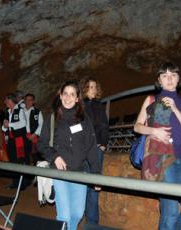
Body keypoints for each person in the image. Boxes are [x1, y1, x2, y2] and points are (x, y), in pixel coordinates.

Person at [133, 62, 181, 230]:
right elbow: (137, 126)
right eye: (165, 75)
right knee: (171, 212)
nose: (169, 79)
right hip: (163, 160)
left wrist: (175, 109)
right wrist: (153, 131)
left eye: (173, 75)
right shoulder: (152, 99)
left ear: (178, 79)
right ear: (159, 80)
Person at [38, 80, 100, 230]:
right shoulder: (52, 118)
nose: (68, 97)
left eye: (72, 94)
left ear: (77, 98)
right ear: (60, 95)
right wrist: (55, 157)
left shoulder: (84, 119)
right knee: (64, 215)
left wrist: (97, 174)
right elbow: (42, 144)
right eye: (65, 93)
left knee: (77, 214)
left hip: (80, 172)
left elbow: (92, 147)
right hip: (60, 172)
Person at [79, 77, 109, 226]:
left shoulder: (99, 105)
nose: (93, 89)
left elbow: (104, 125)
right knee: (83, 183)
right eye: (90, 87)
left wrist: (103, 143)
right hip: (82, 149)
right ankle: (84, 215)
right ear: (84, 89)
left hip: (96, 149)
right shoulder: (80, 106)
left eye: (95, 87)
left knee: (94, 185)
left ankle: (92, 222)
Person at [2, 93, 28, 189]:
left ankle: (22, 183)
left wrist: (9, 124)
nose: (5, 103)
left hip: (19, 140)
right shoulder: (8, 112)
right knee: (12, 161)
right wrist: (5, 127)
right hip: (11, 140)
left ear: (11, 100)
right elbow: (6, 126)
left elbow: (23, 123)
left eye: (6, 101)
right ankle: (15, 183)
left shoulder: (20, 110)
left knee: (20, 161)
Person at [24, 93, 43, 165]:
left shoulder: (37, 112)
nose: (29, 101)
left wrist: (34, 135)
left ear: (33, 101)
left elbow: (41, 124)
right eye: (27, 100)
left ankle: (36, 174)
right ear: (24, 101)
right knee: (24, 156)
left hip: (34, 136)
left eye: (30, 100)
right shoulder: (20, 111)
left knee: (35, 157)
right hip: (23, 136)